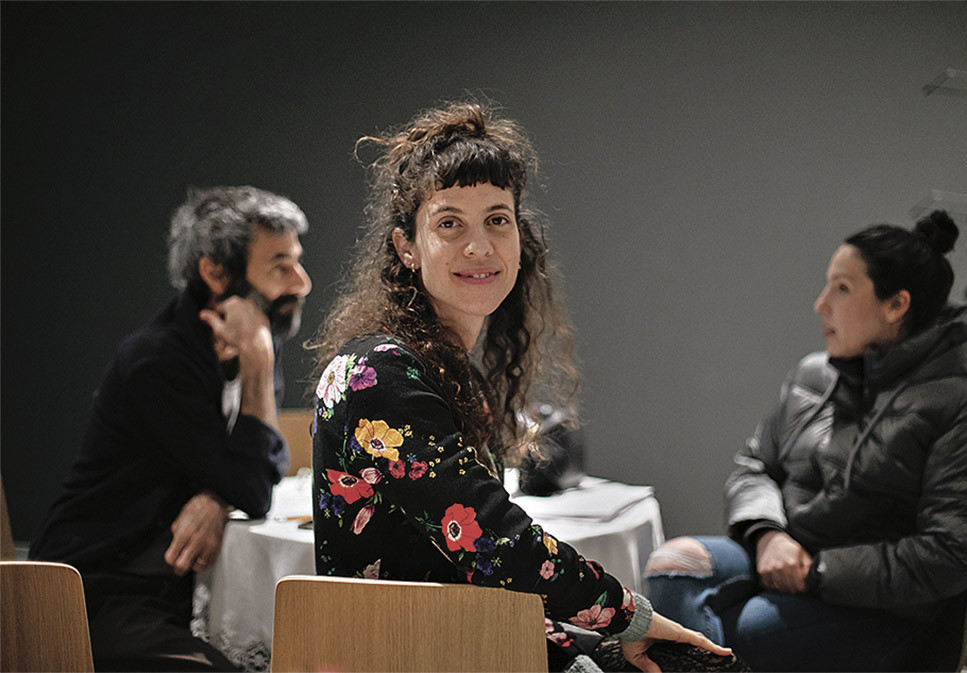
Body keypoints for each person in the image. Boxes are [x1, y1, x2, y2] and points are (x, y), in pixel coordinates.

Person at [308, 101, 743, 673]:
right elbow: (495, 543)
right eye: (449, 224)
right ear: (405, 247)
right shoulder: (379, 374)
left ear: (520, 239)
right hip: (409, 651)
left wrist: (590, 643)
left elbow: (481, 575)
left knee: (693, 662)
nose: (480, 246)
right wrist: (629, 617)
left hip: (478, 636)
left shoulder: (452, 375)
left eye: (497, 219)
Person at [644, 211, 967, 671]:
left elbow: (952, 551)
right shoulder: (814, 374)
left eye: (842, 289)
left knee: (714, 633)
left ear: (896, 305)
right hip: (780, 560)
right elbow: (754, 465)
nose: (820, 304)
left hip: (880, 611)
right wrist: (767, 534)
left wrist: (817, 572)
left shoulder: (963, 407)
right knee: (672, 565)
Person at [30, 186, 312, 671]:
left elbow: (262, 465)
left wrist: (216, 496)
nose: (301, 282)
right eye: (280, 265)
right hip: (89, 594)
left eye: (297, 261)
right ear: (215, 273)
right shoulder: (158, 361)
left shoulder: (251, 336)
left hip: (165, 589)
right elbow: (253, 487)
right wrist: (259, 365)